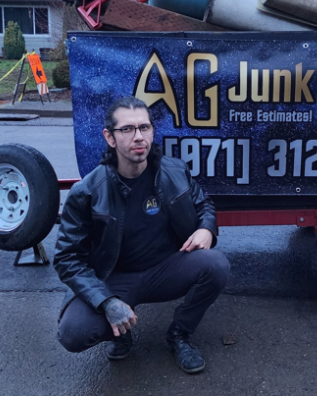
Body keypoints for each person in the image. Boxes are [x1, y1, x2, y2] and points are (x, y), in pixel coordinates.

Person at [54, 96, 229, 374]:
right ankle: (120, 332)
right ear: (109, 138)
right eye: (127, 130)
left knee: (216, 265)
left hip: (167, 269)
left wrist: (206, 228)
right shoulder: (86, 192)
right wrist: (106, 301)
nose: (139, 137)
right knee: (73, 333)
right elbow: (66, 259)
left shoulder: (174, 170)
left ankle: (179, 335)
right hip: (115, 280)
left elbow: (203, 203)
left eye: (144, 128)